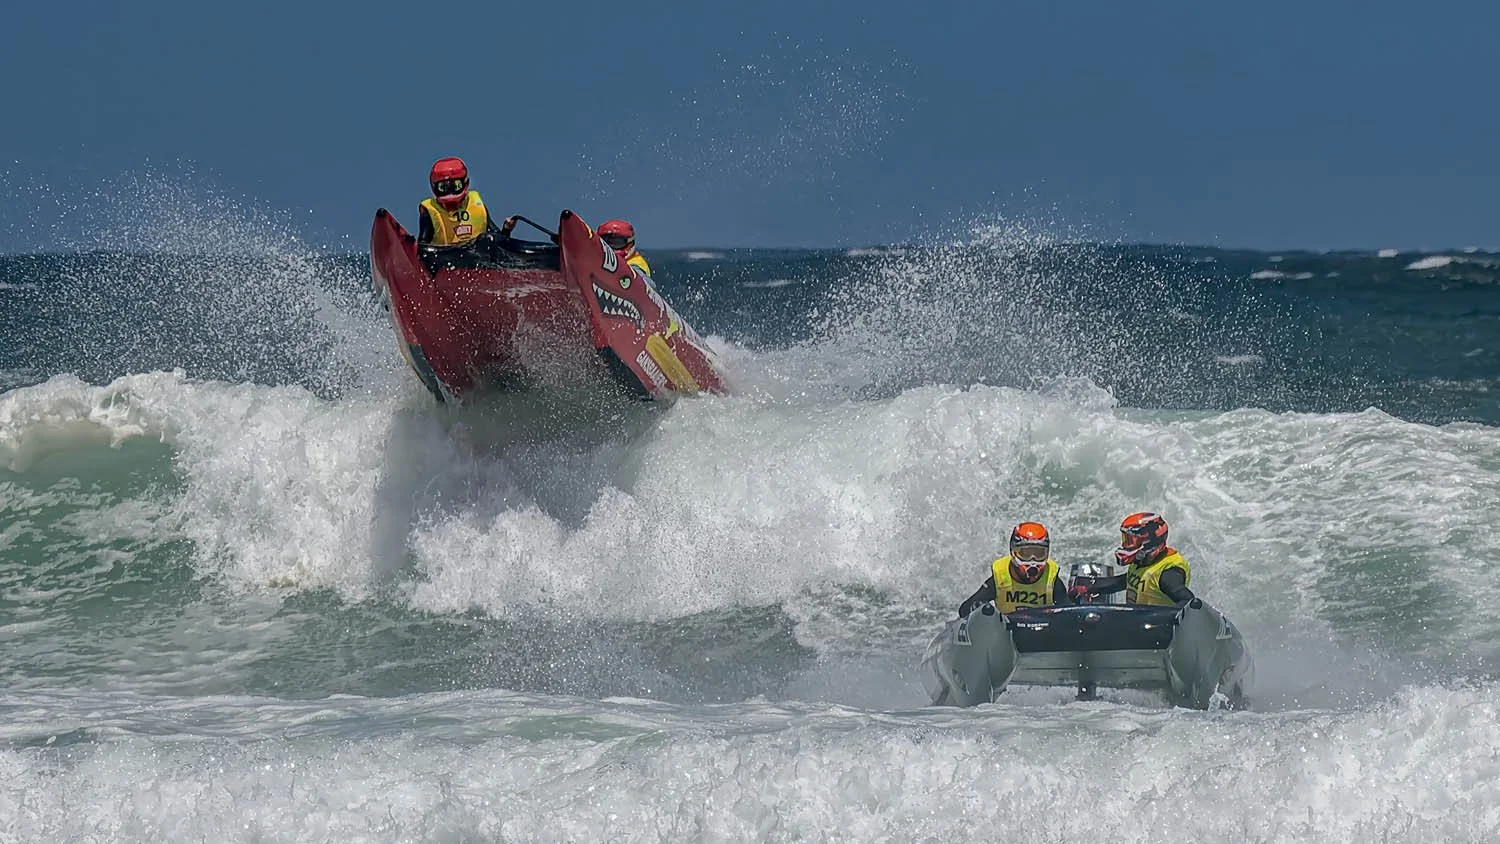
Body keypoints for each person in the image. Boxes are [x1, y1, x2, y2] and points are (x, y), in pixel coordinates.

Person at [957, 522, 1070, 617]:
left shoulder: (1052, 580)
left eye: (1039, 554)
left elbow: (1068, 612)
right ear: (1013, 552)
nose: (1032, 561)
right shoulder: (1000, 577)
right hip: (1006, 633)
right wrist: (980, 608)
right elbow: (964, 609)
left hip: (1042, 636)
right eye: (1025, 554)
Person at [417, 157, 504, 246]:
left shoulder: (476, 203)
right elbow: (422, 245)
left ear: (466, 183)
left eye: (456, 185)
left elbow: (499, 238)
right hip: (442, 258)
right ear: (434, 186)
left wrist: (506, 229)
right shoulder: (429, 209)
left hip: (479, 257)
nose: (449, 191)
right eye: (442, 187)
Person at [1115, 511, 1195, 605]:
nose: (1125, 545)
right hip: (1138, 619)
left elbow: (1188, 601)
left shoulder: (1168, 574)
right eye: (1125, 539)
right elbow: (1125, 581)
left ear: (1148, 542)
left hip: (1157, 620)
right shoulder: (1142, 562)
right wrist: (1094, 585)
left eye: (1130, 540)